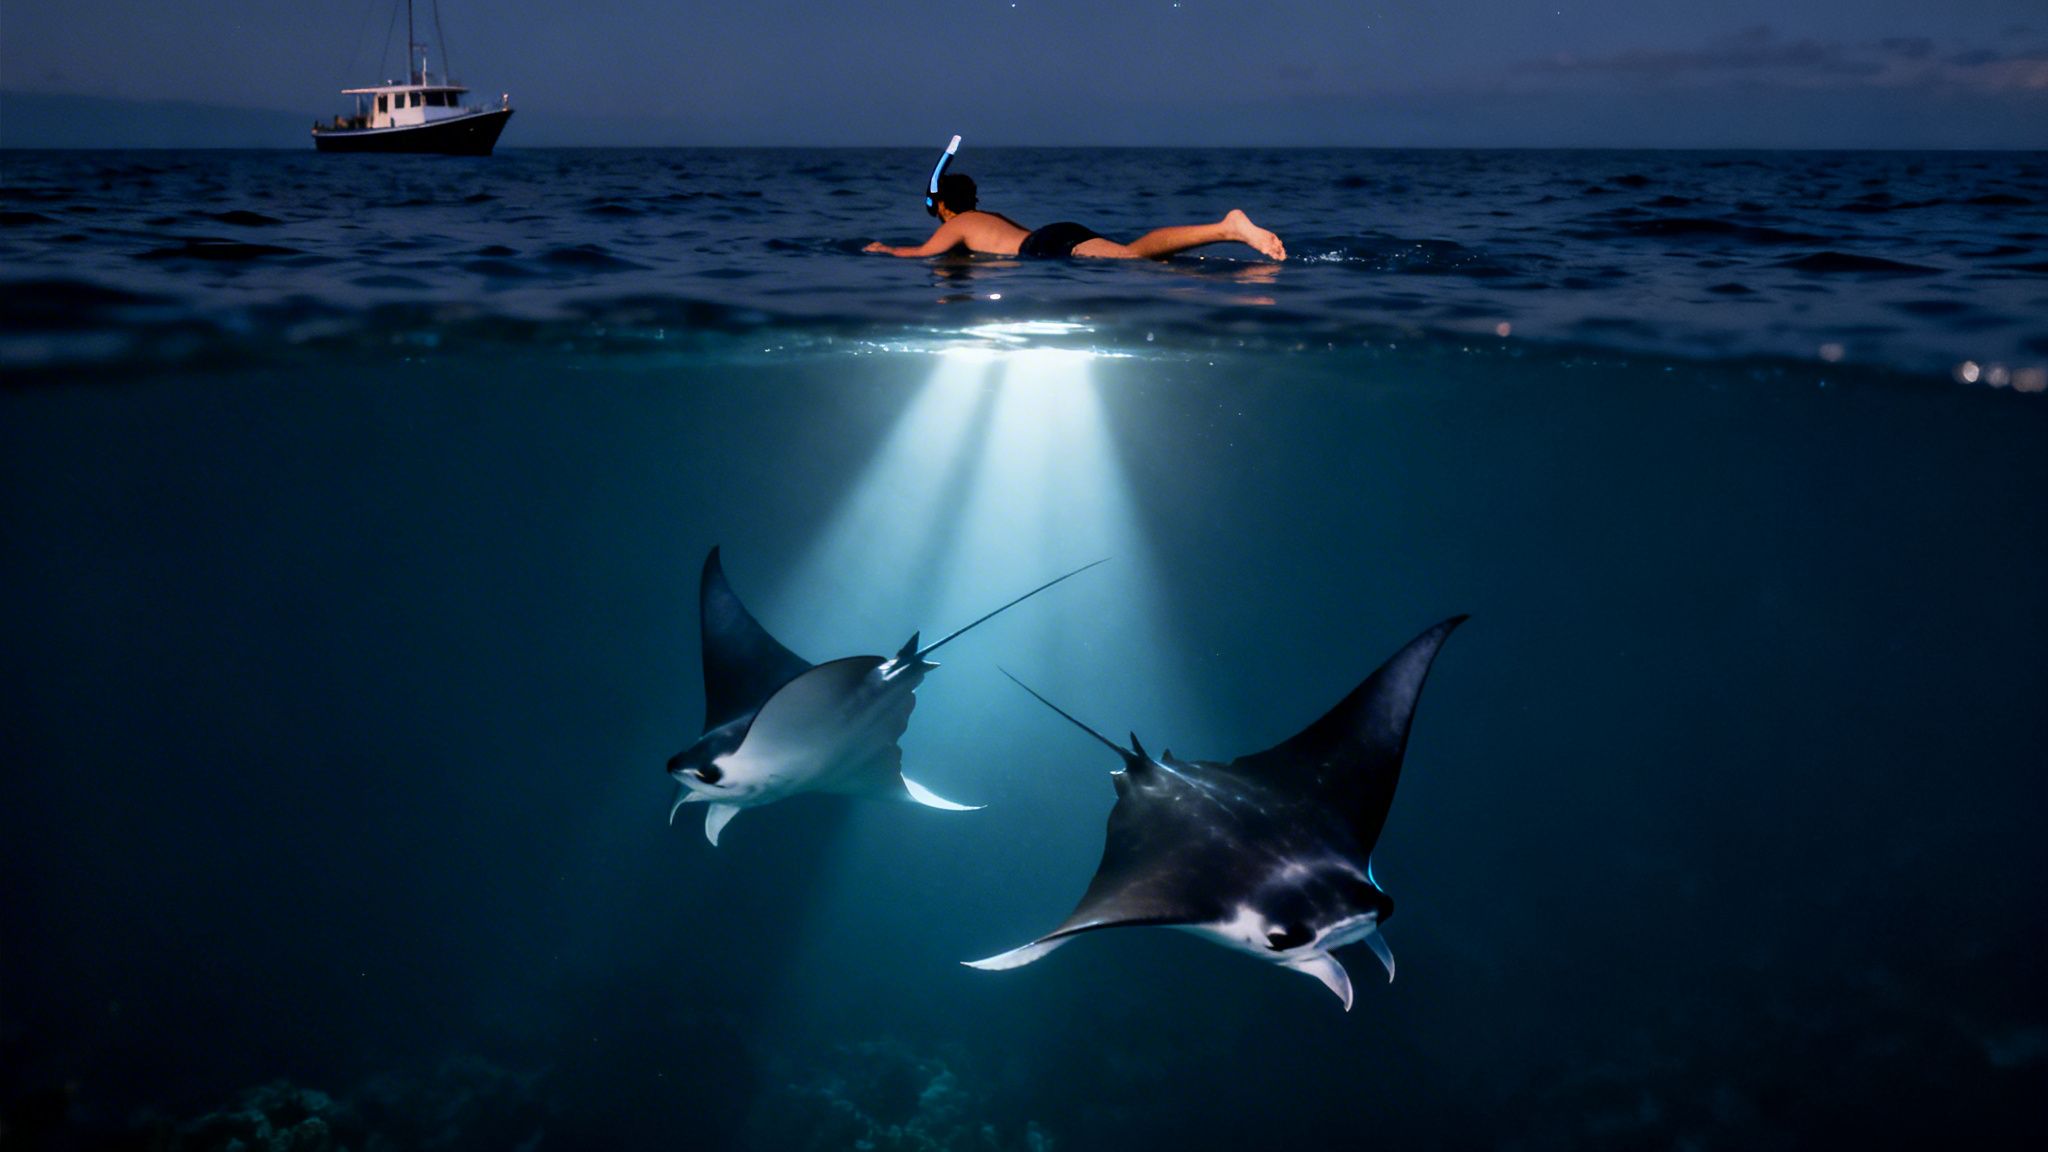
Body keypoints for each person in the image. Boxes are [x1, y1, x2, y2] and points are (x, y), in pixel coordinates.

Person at [864, 173, 1286, 262]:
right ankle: (1224, 234)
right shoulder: (987, 216)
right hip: (1055, 235)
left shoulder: (955, 224)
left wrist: (883, 248)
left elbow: (919, 254)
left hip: (1043, 248)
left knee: (1134, 257)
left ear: (940, 206)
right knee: (1140, 259)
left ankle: (1227, 228)